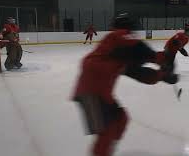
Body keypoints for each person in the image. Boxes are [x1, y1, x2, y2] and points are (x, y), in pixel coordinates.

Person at [71, 13, 178, 156]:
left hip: (102, 93)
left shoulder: (119, 53)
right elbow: (137, 48)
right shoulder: (116, 37)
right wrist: (161, 58)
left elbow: (137, 72)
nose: (132, 33)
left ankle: (105, 150)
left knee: (121, 119)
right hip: (91, 91)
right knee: (107, 130)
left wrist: (162, 76)